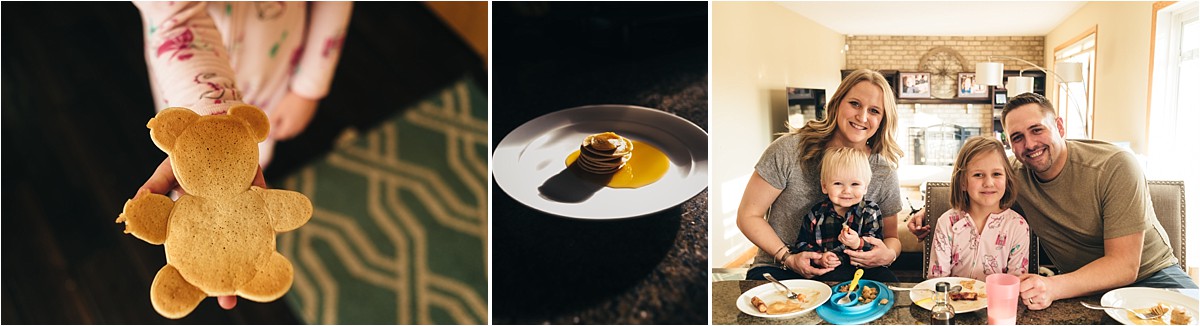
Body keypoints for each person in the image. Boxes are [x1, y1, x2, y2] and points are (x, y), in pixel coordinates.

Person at [131, 1, 353, 310]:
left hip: (273, 70)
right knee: (216, 162)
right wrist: (204, 129)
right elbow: (173, 16)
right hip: (187, 92)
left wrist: (310, 83)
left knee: (255, 156)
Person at [908, 92, 1196, 310]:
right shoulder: (1015, 174)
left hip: (1153, 277)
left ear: (1059, 125)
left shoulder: (1115, 166)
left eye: (1037, 130)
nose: (1030, 145)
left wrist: (1053, 286)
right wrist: (926, 210)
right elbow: (981, 183)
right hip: (1083, 289)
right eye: (1017, 137)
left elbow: (1124, 266)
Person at [737, 69, 905, 282]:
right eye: (854, 104)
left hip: (856, 274)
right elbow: (748, 215)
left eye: (874, 111)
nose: (862, 117)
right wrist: (787, 257)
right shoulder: (788, 151)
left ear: (883, 119)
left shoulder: (884, 171)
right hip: (781, 268)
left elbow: (892, 238)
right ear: (836, 104)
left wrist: (888, 254)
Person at [927, 136, 1029, 281]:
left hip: (999, 302)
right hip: (953, 301)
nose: (988, 182)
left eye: (996, 174)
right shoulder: (947, 223)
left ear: (1007, 179)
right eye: (978, 175)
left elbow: (1015, 283)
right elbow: (937, 281)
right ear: (963, 182)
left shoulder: (1017, 226)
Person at [790, 147, 893, 282]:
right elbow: (802, 244)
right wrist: (820, 258)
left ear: (865, 187)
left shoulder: (870, 211)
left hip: (866, 269)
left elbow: (876, 245)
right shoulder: (816, 214)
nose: (846, 191)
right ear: (825, 186)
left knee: (889, 279)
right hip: (832, 270)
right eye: (838, 183)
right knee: (828, 280)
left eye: (855, 184)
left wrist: (858, 243)